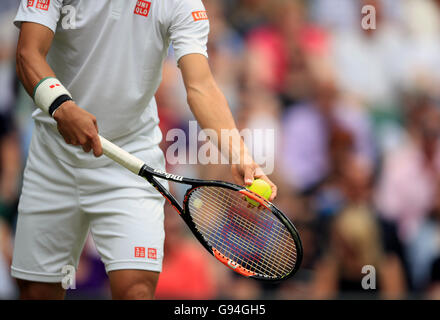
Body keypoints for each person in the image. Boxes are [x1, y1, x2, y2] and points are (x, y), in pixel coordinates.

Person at [12, 0, 276, 300]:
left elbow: (201, 85)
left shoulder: (181, 4)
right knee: (37, 292)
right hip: (53, 158)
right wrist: (62, 105)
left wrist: (240, 155)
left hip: (130, 161)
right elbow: (27, 53)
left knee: (136, 289)